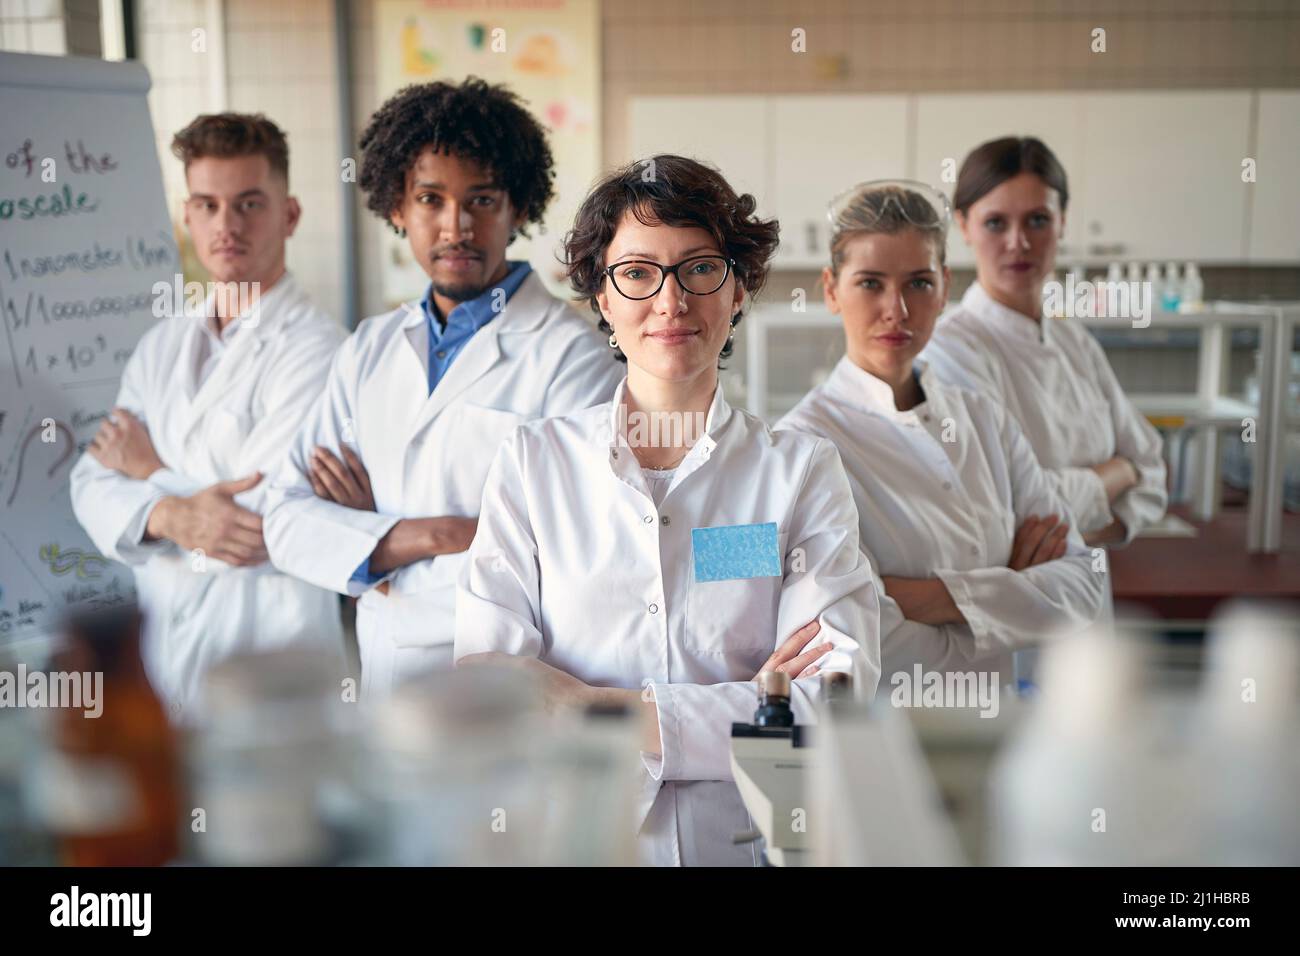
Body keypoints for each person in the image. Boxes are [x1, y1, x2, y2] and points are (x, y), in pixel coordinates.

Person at [455, 155, 880, 867]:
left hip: (744, 841)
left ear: (739, 289)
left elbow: (827, 707)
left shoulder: (800, 471)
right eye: (638, 273)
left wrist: (584, 704)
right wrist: (748, 704)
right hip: (580, 840)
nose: (671, 301)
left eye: (700, 269)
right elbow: (491, 686)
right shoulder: (534, 465)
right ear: (602, 297)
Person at [263, 78, 621, 698]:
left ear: (519, 209)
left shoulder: (573, 358)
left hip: (506, 687)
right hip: (383, 680)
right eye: (430, 198)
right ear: (397, 209)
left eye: (481, 199)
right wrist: (438, 535)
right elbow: (286, 520)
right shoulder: (368, 350)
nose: (456, 225)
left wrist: (370, 543)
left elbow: (572, 553)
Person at [70, 113, 345, 718]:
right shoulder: (160, 346)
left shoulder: (322, 350)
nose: (227, 225)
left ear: (289, 214)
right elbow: (89, 483)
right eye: (208, 205)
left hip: (274, 658)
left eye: (249, 203)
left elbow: (263, 521)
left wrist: (146, 472)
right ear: (188, 216)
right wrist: (169, 511)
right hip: (165, 652)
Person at [778, 182, 1106, 679]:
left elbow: (1084, 586)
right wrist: (1011, 587)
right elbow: (865, 646)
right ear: (830, 290)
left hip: (1002, 733)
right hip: (881, 737)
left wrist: (924, 598)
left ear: (945, 287)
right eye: (870, 283)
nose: (897, 309)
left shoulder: (986, 420)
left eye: (919, 282)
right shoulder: (803, 445)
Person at [922, 137, 1167, 547]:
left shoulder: (1075, 341)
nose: (1018, 242)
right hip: (1016, 604)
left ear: (1063, 221)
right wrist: (1119, 473)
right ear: (963, 226)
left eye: (1037, 220)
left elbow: (1152, 468)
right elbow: (1007, 506)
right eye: (996, 223)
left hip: (1092, 592)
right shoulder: (950, 349)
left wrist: (1066, 535)